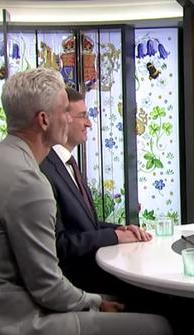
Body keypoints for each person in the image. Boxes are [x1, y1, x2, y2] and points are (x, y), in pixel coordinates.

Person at [0, 68, 171, 335]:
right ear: (44, 120)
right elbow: (48, 288)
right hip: (17, 330)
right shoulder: (28, 181)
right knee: (159, 331)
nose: (73, 118)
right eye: (66, 110)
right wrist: (96, 302)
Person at [40, 87, 151, 295]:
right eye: (82, 116)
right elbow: (59, 244)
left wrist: (122, 229)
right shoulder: (45, 170)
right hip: (80, 284)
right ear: (62, 118)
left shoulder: (68, 164)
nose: (89, 123)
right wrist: (114, 237)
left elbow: (85, 226)